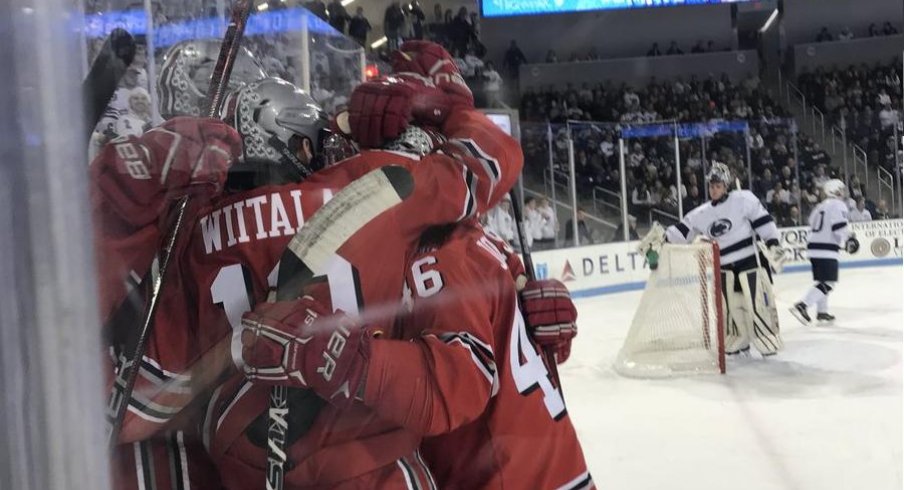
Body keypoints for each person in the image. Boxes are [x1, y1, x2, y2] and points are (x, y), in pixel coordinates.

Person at [103, 41, 524, 488]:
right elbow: (492, 158)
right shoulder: (375, 182)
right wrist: (445, 106)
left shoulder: (189, 242)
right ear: (297, 143)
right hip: (378, 473)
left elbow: (135, 410)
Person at [241, 217, 594, 490]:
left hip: (504, 477)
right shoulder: (483, 239)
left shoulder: (432, 258)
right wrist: (545, 309)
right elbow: (523, 327)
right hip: (561, 465)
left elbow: (461, 384)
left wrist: (345, 359)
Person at [639, 162, 785, 357]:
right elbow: (681, 233)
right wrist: (661, 239)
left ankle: (766, 337)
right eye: (711, 186)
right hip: (724, 268)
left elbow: (764, 222)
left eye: (717, 186)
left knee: (757, 304)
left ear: (726, 186)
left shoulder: (743, 199)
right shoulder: (702, 213)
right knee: (731, 308)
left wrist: (773, 243)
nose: (713, 190)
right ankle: (737, 340)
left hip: (750, 262)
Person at [791, 179, 854, 325]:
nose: (843, 192)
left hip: (814, 248)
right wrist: (848, 238)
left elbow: (812, 222)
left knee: (822, 281)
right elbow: (839, 227)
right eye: (841, 189)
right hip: (826, 249)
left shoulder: (820, 206)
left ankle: (822, 312)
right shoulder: (838, 205)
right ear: (836, 191)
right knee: (829, 283)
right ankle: (803, 305)